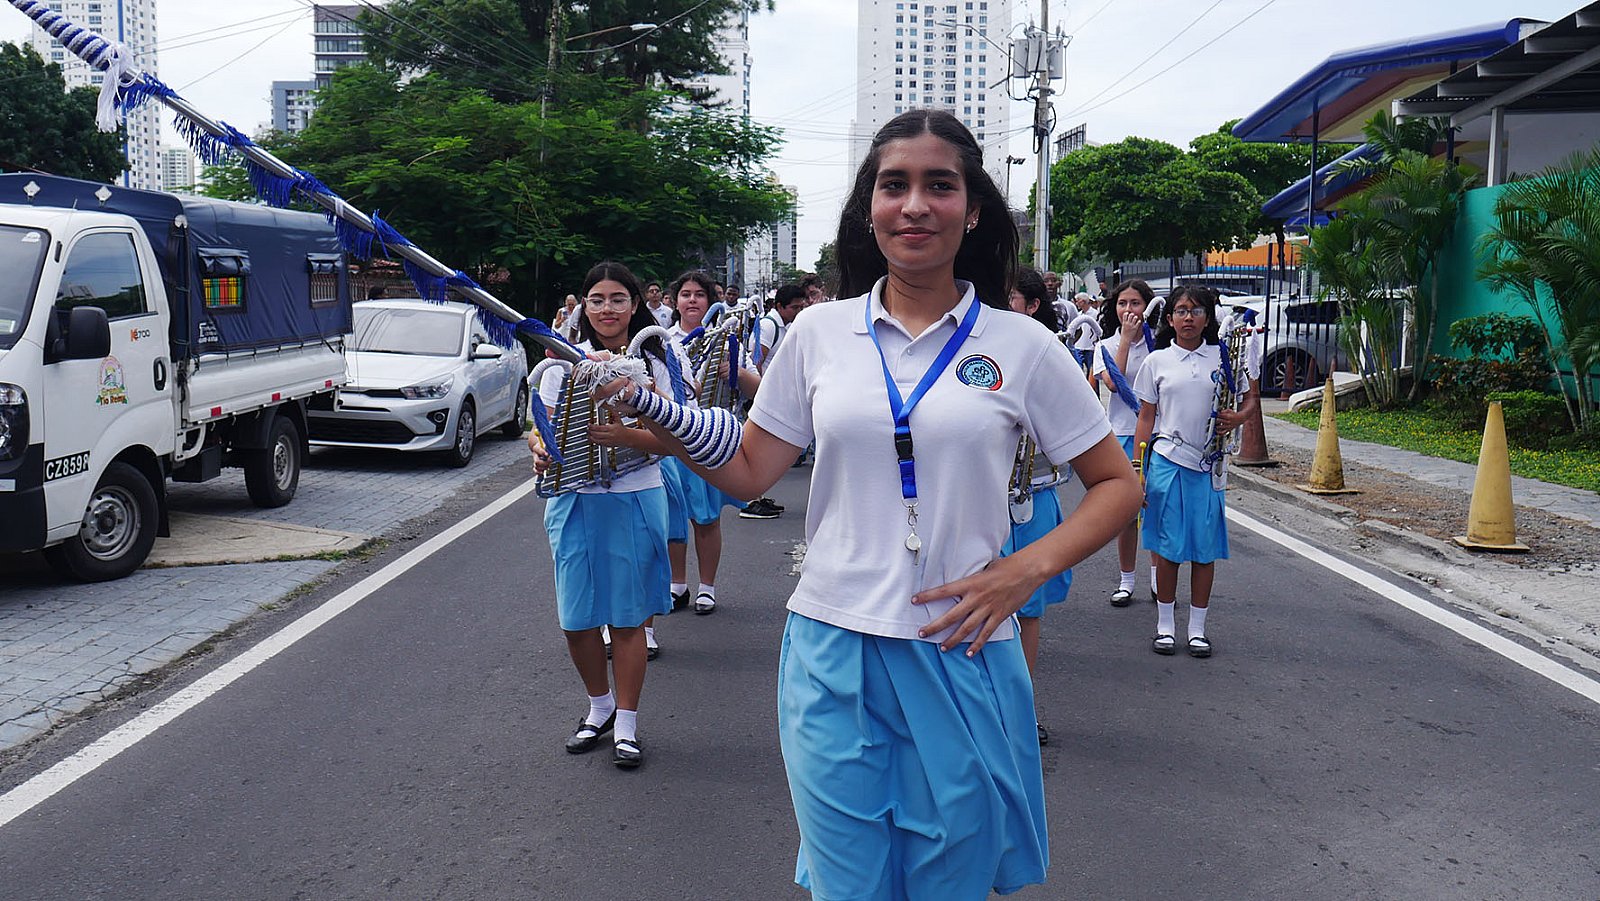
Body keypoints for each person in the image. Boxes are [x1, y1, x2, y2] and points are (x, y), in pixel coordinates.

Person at [600, 109, 1141, 900]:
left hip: (961, 647)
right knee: (849, 887)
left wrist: (1025, 571)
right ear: (869, 208)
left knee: (948, 885)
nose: (915, 204)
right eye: (895, 185)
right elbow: (750, 469)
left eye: (939, 185)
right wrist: (662, 419)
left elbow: (1119, 482)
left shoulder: (1021, 345)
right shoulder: (817, 333)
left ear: (973, 208)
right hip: (831, 647)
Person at [527, 262, 684, 768]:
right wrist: (539, 449)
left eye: (618, 299)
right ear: (584, 306)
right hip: (572, 499)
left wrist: (626, 435)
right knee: (576, 619)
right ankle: (600, 706)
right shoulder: (562, 360)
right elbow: (540, 426)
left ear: (635, 305)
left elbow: (677, 439)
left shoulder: (655, 360)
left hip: (634, 496)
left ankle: (628, 723)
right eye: (597, 299)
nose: (607, 309)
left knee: (627, 617)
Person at [1131, 286, 1259, 659]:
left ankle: (1198, 630)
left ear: (1207, 318)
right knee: (1168, 548)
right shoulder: (1156, 361)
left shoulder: (1223, 357)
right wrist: (1138, 468)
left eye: (1197, 310)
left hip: (1208, 465)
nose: (1189, 318)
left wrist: (1239, 417)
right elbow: (1146, 417)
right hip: (1167, 460)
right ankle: (1165, 626)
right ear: (1170, 319)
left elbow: (1250, 398)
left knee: (1204, 551)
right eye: (1181, 311)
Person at [1002, 267, 1070, 747]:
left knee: (1026, 609)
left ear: (1031, 305)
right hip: (979, 500)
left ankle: (1019, 709)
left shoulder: (1051, 354)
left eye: (1011, 298)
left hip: (1033, 493)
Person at [663, 270, 752, 613]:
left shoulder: (726, 339)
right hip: (670, 441)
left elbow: (756, 385)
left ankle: (707, 586)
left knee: (706, 516)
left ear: (710, 301)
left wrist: (736, 373)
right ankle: (677, 584)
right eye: (685, 294)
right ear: (675, 301)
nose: (692, 300)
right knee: (672, 517)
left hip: (709, 441)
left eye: (699, 295)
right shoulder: (661, 340)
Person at [1093, 278, 1160, 606]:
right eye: (1122, 303)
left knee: (1156, 509)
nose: (1129, 309)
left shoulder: (1158, 345)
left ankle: (1159, 580)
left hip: (1156, 435)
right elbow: (1114, 384)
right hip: (1120, 432)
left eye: (1135, 303)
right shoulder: (1104, 345)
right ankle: (1126, 580)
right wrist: (1125, 341)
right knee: (1127, 511)